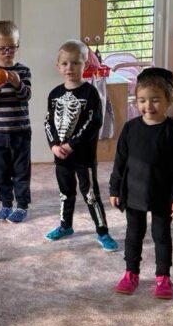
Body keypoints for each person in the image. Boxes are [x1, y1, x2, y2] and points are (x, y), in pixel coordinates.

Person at [108, 68, 173, 300]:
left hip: (163, 195)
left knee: (161, 236)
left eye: (155, 99)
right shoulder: (130, 128)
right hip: (134, 193)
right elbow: (120, 162)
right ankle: (130, 273)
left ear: (168, 100)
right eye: (142, 100)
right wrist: (114, 189)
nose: (148, 105)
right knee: (133, 235)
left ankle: (163, 277)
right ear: (136, 101)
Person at [44, 40, 118, 251]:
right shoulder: (54, 94)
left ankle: (102, 232)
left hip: (83, 157)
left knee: (91, 194)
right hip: (61, 155)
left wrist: (71, 145)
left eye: (76, 63)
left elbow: (94, 123)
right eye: (65, 63)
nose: (70, 68)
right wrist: (54, 146)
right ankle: (65, 225)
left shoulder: (90, 93)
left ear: (85, 65)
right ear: (58, 66)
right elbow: (48, 122)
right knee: (65, 193)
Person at [0, 20, 33, 223]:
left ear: (17, 45)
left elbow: (26, 96)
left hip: (20, 130)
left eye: (11, 47)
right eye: (2, 48)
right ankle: (5, 203)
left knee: (21, 171)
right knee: (0, 172)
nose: (7, 52)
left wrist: (18, 84)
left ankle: (21, 205)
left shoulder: (23, 71)